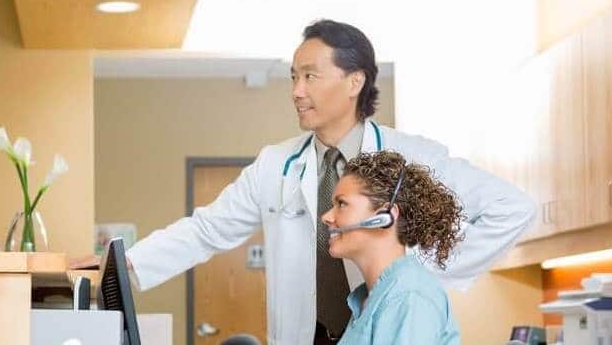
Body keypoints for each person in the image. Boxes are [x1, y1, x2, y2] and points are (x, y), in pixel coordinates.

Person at [72, 19, 535, 344]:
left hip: (383, 326)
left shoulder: (412, 157)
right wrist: (123, 267)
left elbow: (513, 208)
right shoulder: (276, 165)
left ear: (355, 81)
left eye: (311, 76)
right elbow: (206, 229)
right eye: (293, 77)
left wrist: (417, 273)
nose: (296, 90)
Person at [323, 151, 461, 344]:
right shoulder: (371, 297)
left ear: (384, 217)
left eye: (342, 204)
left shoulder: (408, 296)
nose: (326, 217)